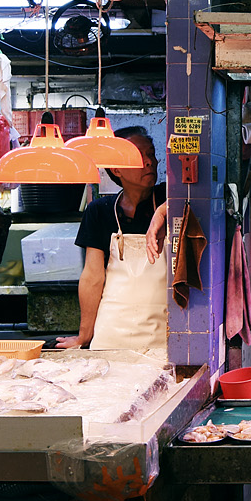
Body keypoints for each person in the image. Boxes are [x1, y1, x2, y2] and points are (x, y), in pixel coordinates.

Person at [65, 126, 164, 349]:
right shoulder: (99, 211)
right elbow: (92, 277)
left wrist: (163, 211)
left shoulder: (171, 199)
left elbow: (196, 201)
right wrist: (83, 336)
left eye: (151, 153)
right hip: (111, 334)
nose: (150, 161)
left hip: (161, 337)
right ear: (116, 170)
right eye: (139, 156)